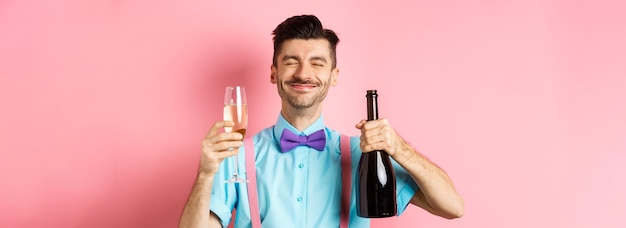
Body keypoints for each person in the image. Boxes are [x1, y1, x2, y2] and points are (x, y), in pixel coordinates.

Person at [179, 15, 464, 228]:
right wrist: (205, 174)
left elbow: (452, 207)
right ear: (274, 73)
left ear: (334, 75)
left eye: (317, 63)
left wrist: (400, 149)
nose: (304, 73)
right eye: (291, 61)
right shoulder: (236, 154)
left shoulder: (361, 153)